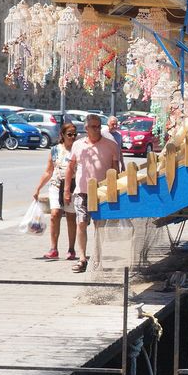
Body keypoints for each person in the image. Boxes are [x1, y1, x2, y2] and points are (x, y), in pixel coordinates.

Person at [64, 114, 120, 273]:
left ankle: (97, 257)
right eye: (93, 127)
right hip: (82, 191)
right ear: (86, 128)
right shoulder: (77, 145)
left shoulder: (111, 145)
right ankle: (82, 258)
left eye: (98, 126)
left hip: (102, 191)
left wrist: (115, 190)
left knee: (99, 225)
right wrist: (67, 190)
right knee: (81, 222)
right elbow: (70, 168)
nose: (96, 129)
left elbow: (116, 169)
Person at [33, 123, 77, 260]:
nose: (73, 137)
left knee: (71, 217)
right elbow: (48, 171)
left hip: (73, 186)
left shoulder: (78, 150)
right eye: (69, 134)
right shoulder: (55, 150)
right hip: (56, 185)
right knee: (55, 214)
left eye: (75, 134)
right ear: (62, 135)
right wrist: (38, 188)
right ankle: (53, 248)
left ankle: (71, 249)